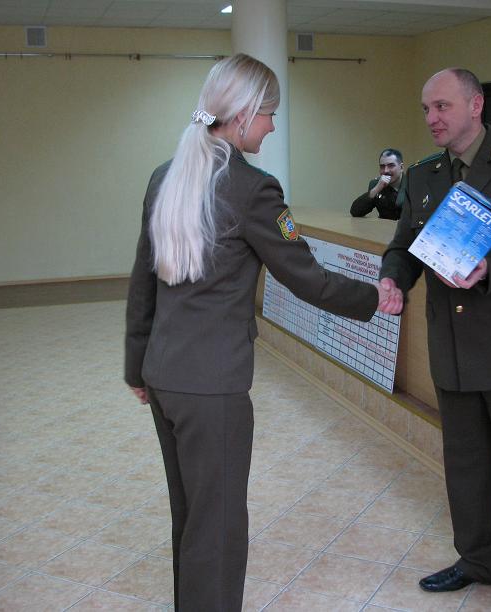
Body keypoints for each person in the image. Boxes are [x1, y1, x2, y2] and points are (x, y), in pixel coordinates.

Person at [124, 54, 397, 612]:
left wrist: (136, 367)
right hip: (213, 388)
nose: (272, 126)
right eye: (270, 113)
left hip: (165, 376)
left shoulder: (164, 175)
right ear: (245, 114)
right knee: (218, 526)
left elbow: (143, 280)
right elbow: (309, 279)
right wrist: (376, 297)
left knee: (192, 515)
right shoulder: (253, 189)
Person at [377, 68, 491, 612]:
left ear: (476, 105)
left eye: (442, 106)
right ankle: (479, 559)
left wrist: (490, 267)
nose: (431, 118)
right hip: (453, 346)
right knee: (466, 463)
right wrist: (393, 278)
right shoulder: (424, 175)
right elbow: (404, 245)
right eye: (426, 109)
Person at [350, 148, 405, 220]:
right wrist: (376, 189)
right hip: (384, 226)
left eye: (391, 165)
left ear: (401, 168)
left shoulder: (413, 183)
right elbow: (355, 212)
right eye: (382, 166)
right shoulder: (376, 184)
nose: (386, 171)